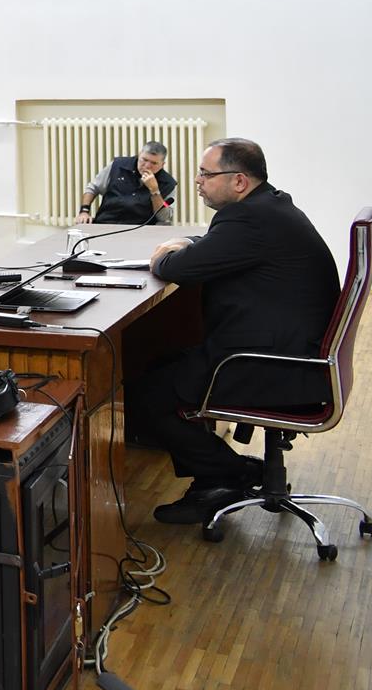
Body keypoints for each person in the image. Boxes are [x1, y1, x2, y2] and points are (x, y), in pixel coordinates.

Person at [131, 139, 343, 525]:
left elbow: (175, 269)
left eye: (206, 174)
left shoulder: (249, 220)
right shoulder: (269, 207)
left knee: (146, 395)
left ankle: (224, 475)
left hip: (273, 365)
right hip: (296, 354)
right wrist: (188, 246)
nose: (197, 181)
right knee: (158, 365)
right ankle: (223, 473)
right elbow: (216, 249)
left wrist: (165, 253)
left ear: (239, 181)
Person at [78, 142, 178, 226]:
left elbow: (164, 217)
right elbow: (93, 188)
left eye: (154, 163)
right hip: (106, 222)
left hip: (140, 228)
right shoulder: (118, 165)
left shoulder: (168, 183)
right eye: (144, 160)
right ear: (139, 155)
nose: (147, 166)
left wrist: (155, 191)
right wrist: (84, 211)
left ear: (162, 165)